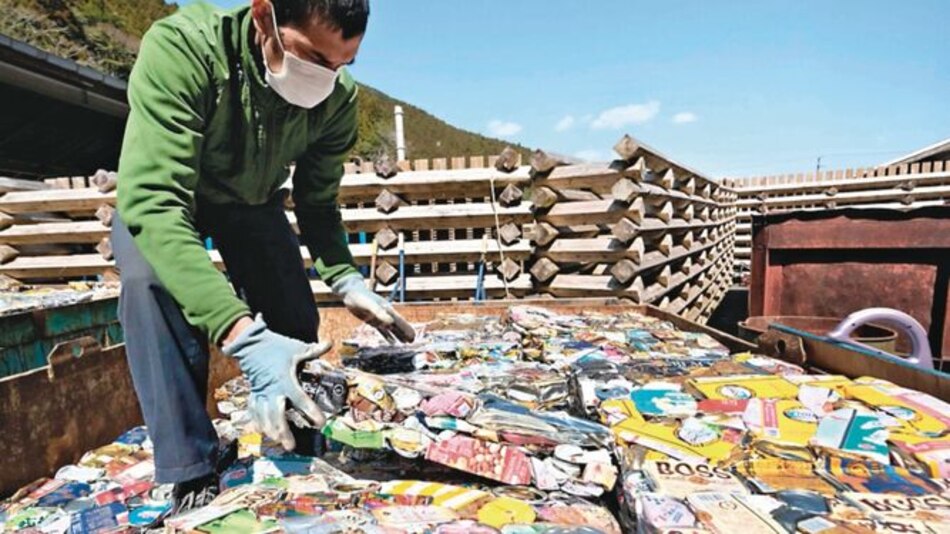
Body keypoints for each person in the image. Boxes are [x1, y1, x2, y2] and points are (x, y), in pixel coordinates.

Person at [112, 0, 409, 515]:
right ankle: (191, 469)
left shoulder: (336, 99)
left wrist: (345, 280)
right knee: (150, 285)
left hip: (252, 202)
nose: (325, 77)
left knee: (293, 310)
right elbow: (155, 202)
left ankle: (296, 439)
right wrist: (238, 334)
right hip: (169, 197)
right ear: (264, 17)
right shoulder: (183, 50)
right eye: (313, 56)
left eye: (341, 65)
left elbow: (317, 200)